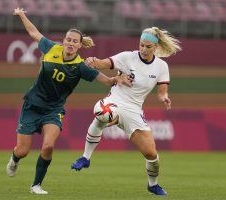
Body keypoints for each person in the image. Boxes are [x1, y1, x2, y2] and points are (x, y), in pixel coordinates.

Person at [6, 8, 131, 195]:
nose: (70, 43)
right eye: (68, 40)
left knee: (48, 146)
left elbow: (104, 79)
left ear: (80, 45)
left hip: (53, 110)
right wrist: (22, 15)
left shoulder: (80, 67)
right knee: (22, 151)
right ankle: (15, 159)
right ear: (64, 41)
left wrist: (116, 79)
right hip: (32, 106)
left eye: (75, 41)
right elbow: (33, 32)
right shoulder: (51, 48)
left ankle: (36, 186)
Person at [71, 27, 181, 196]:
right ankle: (85, 158)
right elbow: (104, 63)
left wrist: (163, 97)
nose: (143, 49)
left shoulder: (161, 66)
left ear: (156, 47)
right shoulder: (127, 57)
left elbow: (162, 91)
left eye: (148, 47)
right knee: (103, 111)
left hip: (134, 111)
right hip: (115, 101)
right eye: (141, 45)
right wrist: (94, 61)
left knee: (151, 154)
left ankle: (153, 185)